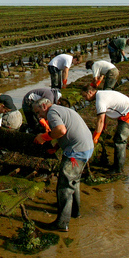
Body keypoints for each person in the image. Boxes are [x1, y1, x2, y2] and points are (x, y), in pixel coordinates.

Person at [32, 98, 94, 232]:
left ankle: (61, 224)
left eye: (38, 112)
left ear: (44, 106)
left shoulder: (52, 112)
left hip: (76, 152)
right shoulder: (61, 109)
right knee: (74, 181)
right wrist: (55, 147)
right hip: (87, 147)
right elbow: (67, 131)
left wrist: (43, 137)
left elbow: (61, 130)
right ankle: (75, 212)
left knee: (64, 186)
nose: (39, 116)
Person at [81, 84, 129, 173]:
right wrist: (103, 128)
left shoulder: (100, 101)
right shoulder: (101, 94)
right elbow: (104, 115)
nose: (85, 99)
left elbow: (100, 121)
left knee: (119, 140)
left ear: (90, 92)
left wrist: (95, 137)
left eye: (85, 96)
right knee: (118, 138)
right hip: (126, 113)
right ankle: (117, 165)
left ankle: (118, 169)